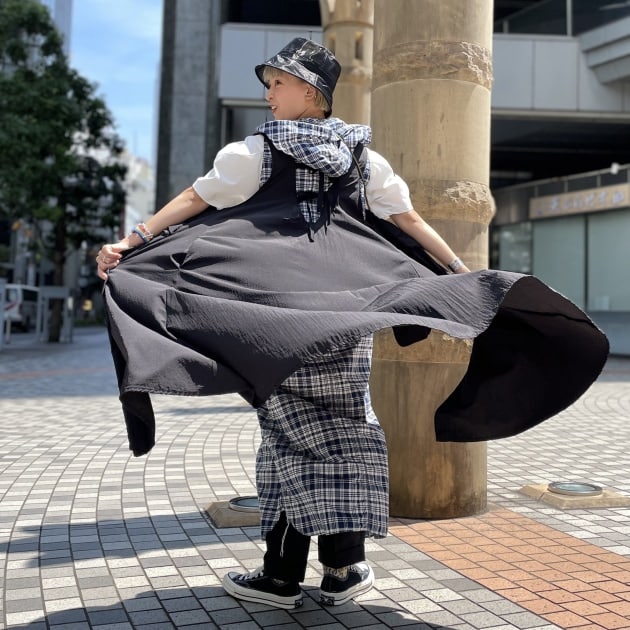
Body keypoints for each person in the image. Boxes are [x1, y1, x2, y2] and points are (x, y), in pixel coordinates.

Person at [96, 39, 608, 611]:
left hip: (281, 320)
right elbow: (408, 220)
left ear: (311, 92)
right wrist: (459, 271)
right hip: (344, 322)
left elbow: (196, 198)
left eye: (278, 83)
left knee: (288, 440)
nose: (268, 94)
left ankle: (281, 576)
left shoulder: (254, 152)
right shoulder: (365, 158)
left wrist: (132, 241)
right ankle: (343, 567)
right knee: (347, 429)